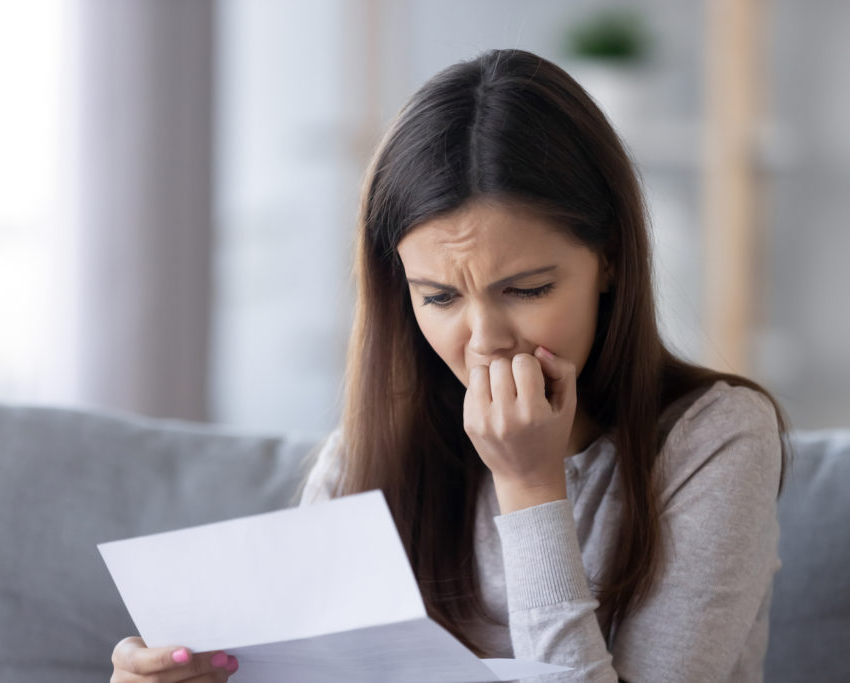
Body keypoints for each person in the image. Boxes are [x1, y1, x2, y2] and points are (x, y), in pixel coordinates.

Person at [110, 48, 787, 683]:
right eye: (439, 297)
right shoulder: (369, 450)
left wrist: (528, 482)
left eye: (526, 290)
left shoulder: (716, 437)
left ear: (608, 257)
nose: (485, 340)